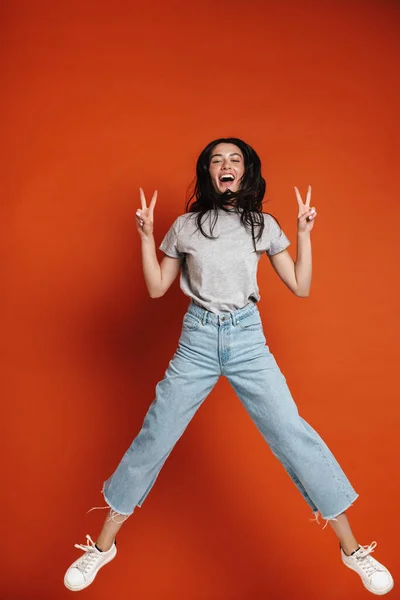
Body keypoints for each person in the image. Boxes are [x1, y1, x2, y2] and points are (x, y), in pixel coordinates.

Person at [64, 138, 394, 595]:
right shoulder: (184, 226)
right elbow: (159, 287)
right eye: (217, 159)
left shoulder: (263, 225)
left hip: (247, 341)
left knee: (291, 434)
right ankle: (101, 549)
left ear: (245, 171)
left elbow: (300, 285)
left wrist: (302, 234)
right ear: (207, 171)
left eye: (234, 159)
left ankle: (353, 551)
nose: (226, 164)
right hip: (197, 339)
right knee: (155, 434)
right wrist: (144, 238)